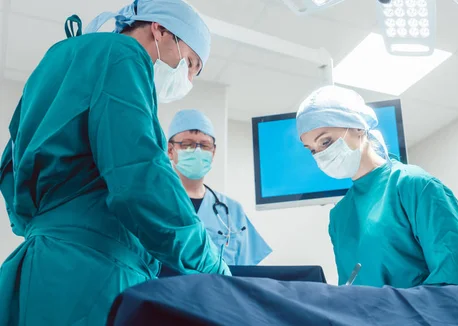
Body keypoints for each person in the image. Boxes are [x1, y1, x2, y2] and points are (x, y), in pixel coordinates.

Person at [0, 1, 230, 325]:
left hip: (39, 269)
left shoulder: (61, 58)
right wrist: (211, 265)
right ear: (161, 29)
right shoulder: (123, 55)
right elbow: (140, 179)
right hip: (90, 276)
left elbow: (10, 170)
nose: (189, 78)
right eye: (190, 62)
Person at [296, 85, 458, 288]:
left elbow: (453, 281)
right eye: (312, 150)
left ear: (358, 127)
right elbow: (348, 291)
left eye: (325, 142)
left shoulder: (415, 186)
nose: (320, 154)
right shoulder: (339, 215)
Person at [167, 109, 272, 266]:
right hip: (165, 290)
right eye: (187, 145)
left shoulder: (232, 211)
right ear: (170, 150)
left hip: (219, 290)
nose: (197, 151)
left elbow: (246, 273)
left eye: (204, 145)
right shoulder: (154, 203)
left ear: (213, 151)